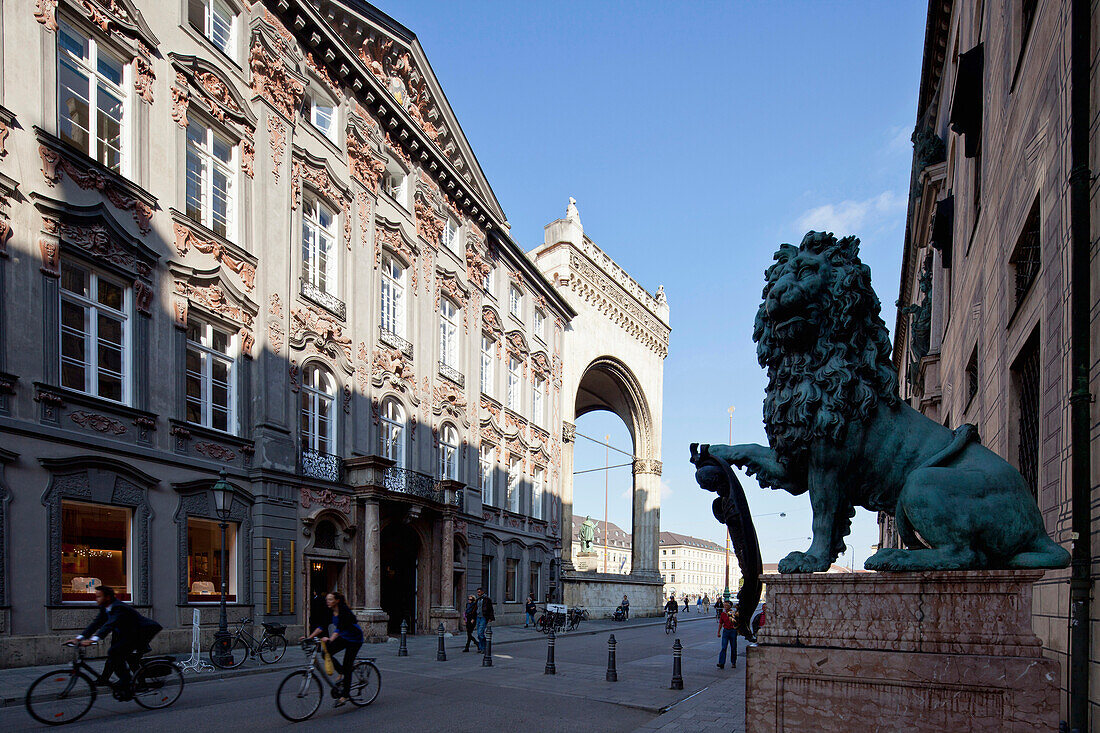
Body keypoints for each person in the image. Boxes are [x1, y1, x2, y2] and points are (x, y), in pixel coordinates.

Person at [69, 585, 162, 700]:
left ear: (107, 597)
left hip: (142, 632)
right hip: (126, 634)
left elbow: (110, 624)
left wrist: (94, 639)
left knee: (125, 657)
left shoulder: (119, 607)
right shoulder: (106, 607)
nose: (96, 599)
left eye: (99, 596)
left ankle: (131, 684)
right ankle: (123, 682)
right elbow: (96, 623)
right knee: (115, 655)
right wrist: (80, 638)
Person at [305, 591, 362, 707]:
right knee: (326, 653)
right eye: (327, 599)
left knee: (347, 666)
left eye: (330, 599)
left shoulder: (344, 611)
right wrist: (308, 637)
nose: (328, 601)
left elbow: (340, 628)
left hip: (355, 639)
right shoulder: (330, 611)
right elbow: (322, 626)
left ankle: (345, 695)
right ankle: (341, 671)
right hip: (344, 637)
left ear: (337, 601)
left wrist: (330, 639)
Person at [717, 600, 738, 669]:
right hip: (725, 631)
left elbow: (737, 622)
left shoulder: (734, 613)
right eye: (724, 605)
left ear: (730, 606)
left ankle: (733, 662)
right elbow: (720, 623)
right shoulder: (723, 614)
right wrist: (718, 632)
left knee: (733, 647)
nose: (725, 607)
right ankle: (721, 663)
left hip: (733, 631)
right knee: (723, 647)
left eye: (726, 605)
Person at [475, 587, 495, 653]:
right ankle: (481, 647)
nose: (478, 593)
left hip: (484, 617)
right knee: (478, 633)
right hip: (478, 617)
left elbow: (490, 609)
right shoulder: (478, 599)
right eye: (477, 592)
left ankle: (484, 647)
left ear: (483, 592)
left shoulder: (487, 599)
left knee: (480, 633)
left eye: (479, 592)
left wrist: (490, 618)